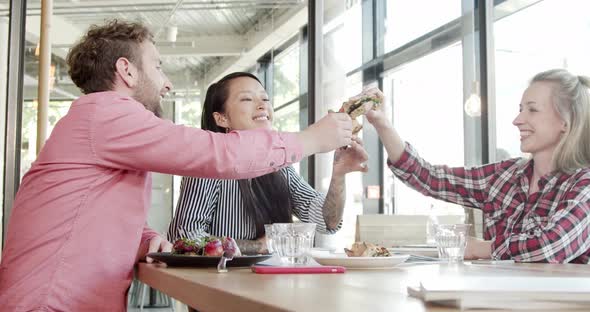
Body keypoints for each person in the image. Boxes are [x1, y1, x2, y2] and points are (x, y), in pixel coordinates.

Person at [0, 20, 358, 311]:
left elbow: (95, 217)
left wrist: (146, 239)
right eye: (157, 66)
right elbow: (214, 154)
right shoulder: (105, 114)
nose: (167, 82)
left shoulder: (99, 124)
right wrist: (312, 140)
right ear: (126, 70)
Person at [364, 68, 590, 264]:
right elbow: (430, 178)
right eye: (520, 109)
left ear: (564, 122)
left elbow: (552, 245)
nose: (517, 119)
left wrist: (482, 248)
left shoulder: (584, 185)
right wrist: (383, 124)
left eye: (532, 109)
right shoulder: (505, 176)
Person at [167, 72, 369, 253]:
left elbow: (327, 222)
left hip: (273, 284)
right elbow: (184, 238)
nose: (262, 105)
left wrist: (339, 175)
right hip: (221, 286)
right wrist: (259, 246)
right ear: (221, 119)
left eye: (265, 98)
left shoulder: (280, 165)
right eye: (247, 98)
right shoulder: (208, 164)